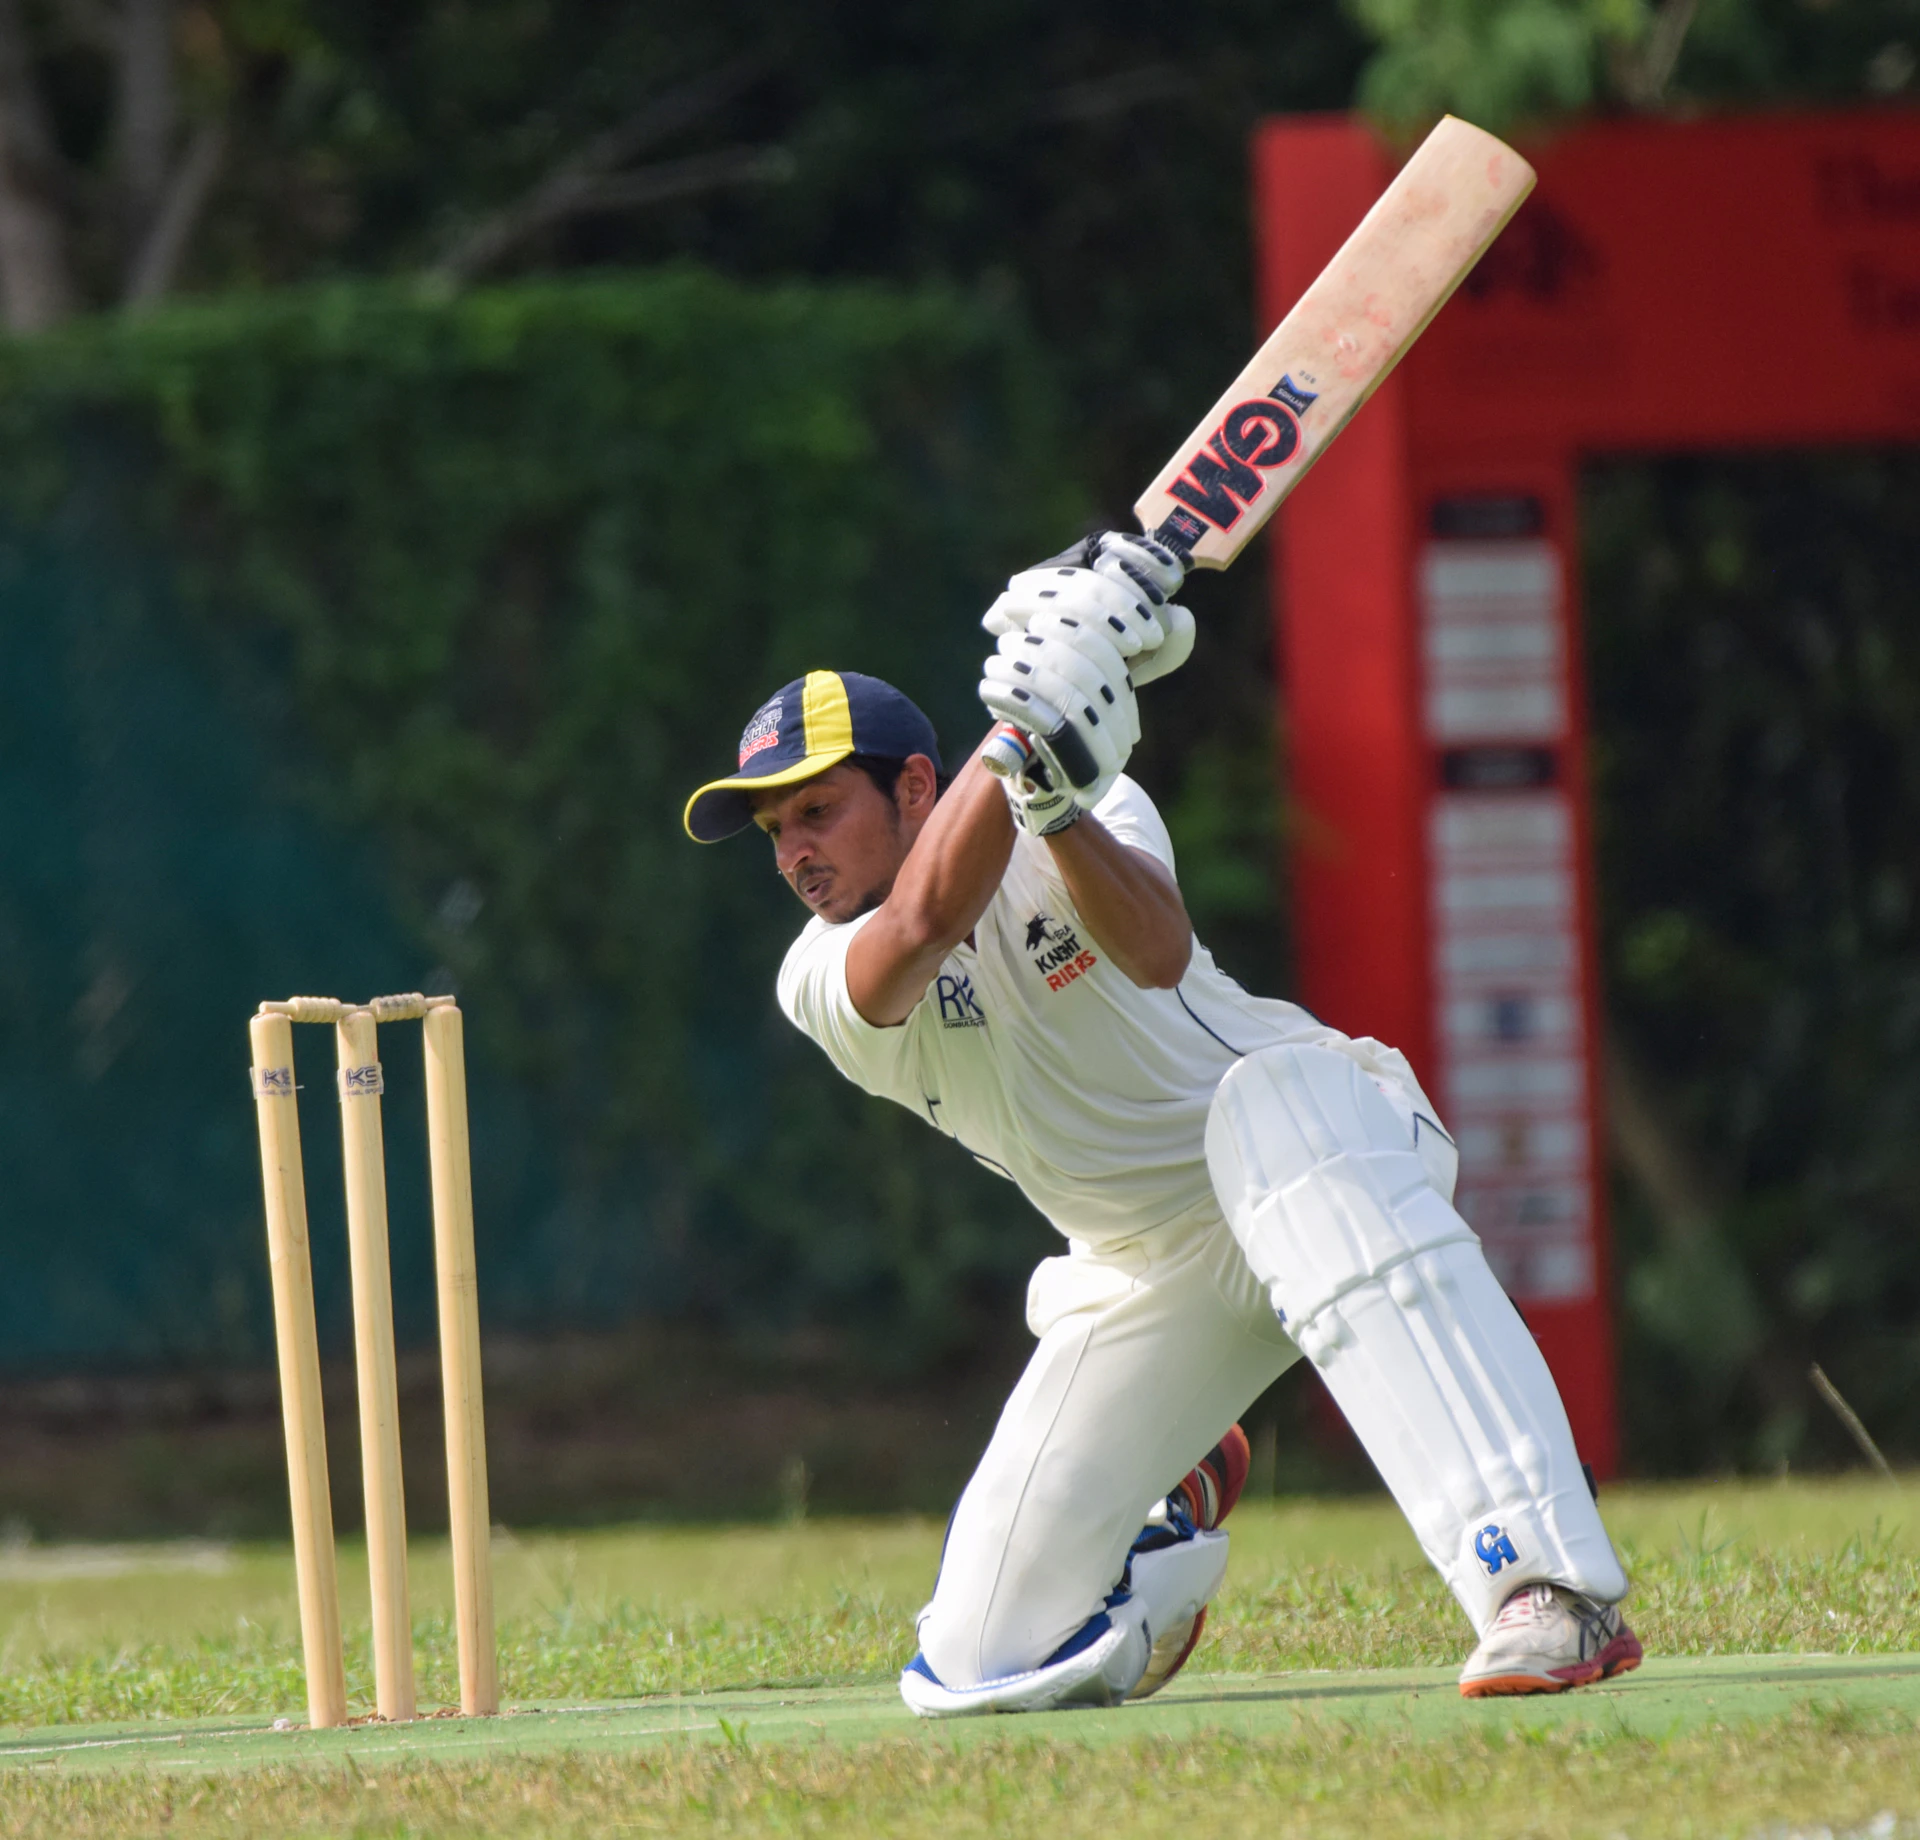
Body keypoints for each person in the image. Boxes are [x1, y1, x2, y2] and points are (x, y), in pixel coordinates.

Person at [682, 531, 1641, 1715]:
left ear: (916, 786)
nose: (795, 856)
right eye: (775, 831)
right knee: (974, 1667)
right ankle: (1163, 1517)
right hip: (1145, 1273)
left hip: (1319, 1145)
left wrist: (1051, 788)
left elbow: (1155, 948)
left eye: (817, 811)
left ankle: (1546, 1585)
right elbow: (925, 921)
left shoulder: (1088, 803)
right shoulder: (816, 976)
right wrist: (1022, 723)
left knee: (1269, 1106)